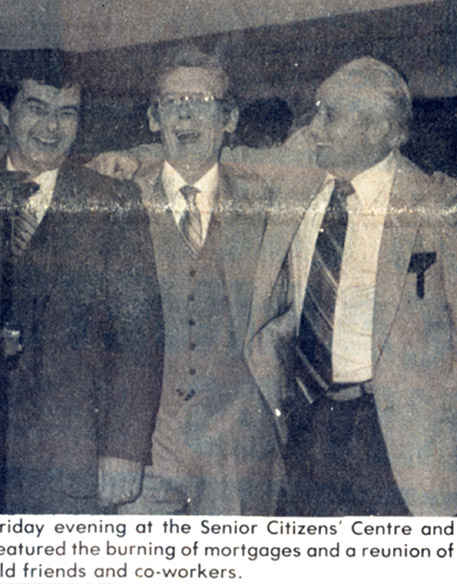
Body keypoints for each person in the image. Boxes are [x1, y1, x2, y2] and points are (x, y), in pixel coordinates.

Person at [0, 62, 164, 514]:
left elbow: (138, 336)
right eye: (36, 108)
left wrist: (125, 450)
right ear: (4, 114)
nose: (52, 127)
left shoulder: (111, 202)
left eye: (67, 113)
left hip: (69, 451)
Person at [250, 57, 457, 516]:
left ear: (380, 130)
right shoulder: (297, 181)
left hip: (397, 439)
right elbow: (215, 162)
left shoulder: (437, 205)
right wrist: (125, 160)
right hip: (307, 419)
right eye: (316, 110)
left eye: (329, 113)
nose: (314, 124)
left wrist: (415, 382)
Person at [101, 47, 284, 516]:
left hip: (238, 451)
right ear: (152, 117)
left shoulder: (268, 200)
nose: (185, 112)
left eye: (202, 101)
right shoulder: (113, 199)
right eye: (171, 101)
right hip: (144, 450)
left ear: (230, 118)